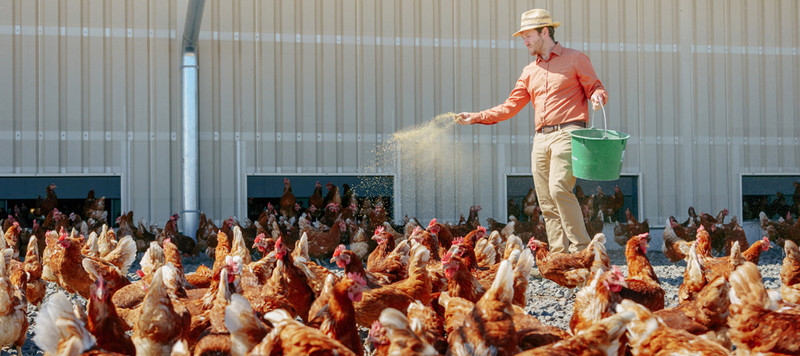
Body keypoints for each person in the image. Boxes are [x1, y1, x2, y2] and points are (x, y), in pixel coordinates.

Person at [456, 8, 608, 254]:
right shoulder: (529, 72)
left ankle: (581, 250)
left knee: (559, 187)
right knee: (546, 200)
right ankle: (559, 256)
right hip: (540, 138)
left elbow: (595, 87)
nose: (524, 41)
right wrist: (475, 117)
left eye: (527, 36)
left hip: (569, 133)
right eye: (523, 37)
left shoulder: (576, 58)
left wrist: (598, 95)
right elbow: (509, 107)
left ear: (544, 32)